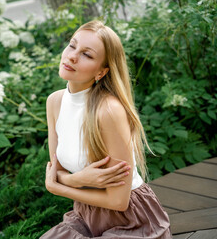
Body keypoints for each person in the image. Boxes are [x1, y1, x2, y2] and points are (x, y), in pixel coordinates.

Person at [41, 20, 171, 238]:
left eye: (87, 55)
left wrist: (58, 188)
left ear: (101, 72)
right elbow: (58, 169)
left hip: (131, 220)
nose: (72, 56)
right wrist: (78, 180)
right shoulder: (55, 102)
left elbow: (118, 201)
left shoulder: (108, 110)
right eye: (72, 45)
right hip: (85, 214)